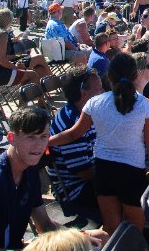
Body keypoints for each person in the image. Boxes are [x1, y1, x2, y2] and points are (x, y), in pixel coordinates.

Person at [0, 106, 108, 250]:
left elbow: (44, 224)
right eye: (31, 137)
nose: (39, 145)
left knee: (99, 238)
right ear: (11, 138)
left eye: (43, 137)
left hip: (15, 245)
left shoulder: (29, 169)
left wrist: (80, 237)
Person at [48, 53, 149, 234]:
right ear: (135, 76)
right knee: (135, 230)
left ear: (108, 77)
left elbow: (73, 134)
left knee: (112, 229)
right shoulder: (144, 106)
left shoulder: (94, 103)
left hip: (104, 171)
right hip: (131, 173)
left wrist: (46, 141)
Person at [46, 67, 103, 209]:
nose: (103, 93)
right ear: (84, 93)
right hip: (75, 189)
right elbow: (85, 172)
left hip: (91, 174)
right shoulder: (71, 123)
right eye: (99, 89)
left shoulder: (86, 112)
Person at [0, 9, 50, 90]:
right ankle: (22, 101)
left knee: (40, 70)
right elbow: (1, 60)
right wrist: (16, 67)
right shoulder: (2, 34)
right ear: (9, 21)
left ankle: (41, 100)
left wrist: (17, 56)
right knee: (32, 74)